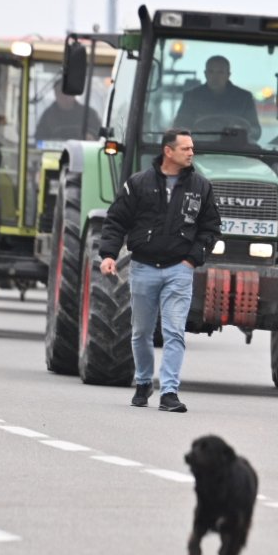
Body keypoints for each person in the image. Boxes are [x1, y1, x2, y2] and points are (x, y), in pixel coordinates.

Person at [98, 128, 222, 413]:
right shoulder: (138, 184)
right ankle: (143, 382)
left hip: (179, 270)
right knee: (141, 332)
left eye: (192, 148)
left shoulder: (201, 187)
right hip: (143, 269)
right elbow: (116, 221)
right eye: (186, 148)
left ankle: (169, 391)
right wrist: (108, 255)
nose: (192, 152)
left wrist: (192, 259)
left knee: (174, 331)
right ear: (168, 151)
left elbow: (211, 228)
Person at [172, 55, 261, 142]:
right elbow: (180, 126)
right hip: (199, 150)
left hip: (235, 152)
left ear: (228, 75)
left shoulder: (244, 98)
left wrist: (242, 131)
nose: (215, 77)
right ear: (205, 74)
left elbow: (256, 130)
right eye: (211, 72)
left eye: (220, 72)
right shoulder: (191, 97)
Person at [33, 79, 98, 143]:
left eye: (67, 93)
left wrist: (91, 136)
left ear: (73, 94)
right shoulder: (47, 115)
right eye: (59, 92)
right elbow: (39, 139)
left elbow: (99, 135)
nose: (64, 96)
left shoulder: (89, 114)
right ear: (55, 94)